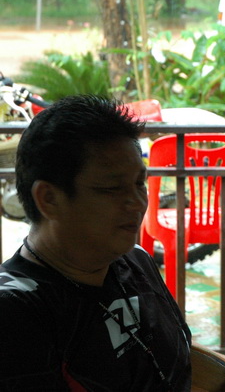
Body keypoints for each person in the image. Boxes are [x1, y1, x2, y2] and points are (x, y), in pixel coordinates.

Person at [0, 95, 194, 391]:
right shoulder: (16, 310)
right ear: (49, 199)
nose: (137, 203)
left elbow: (172, 358)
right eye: (111, 188)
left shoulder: (135, 260)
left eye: (139, 183)